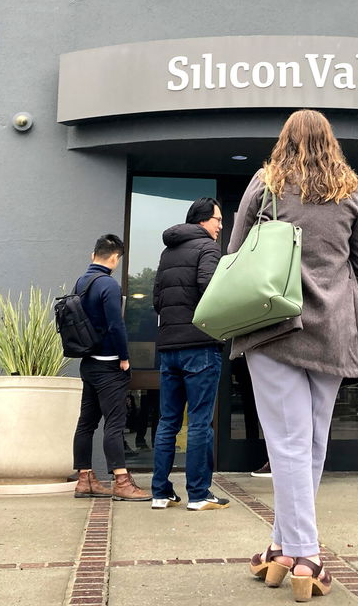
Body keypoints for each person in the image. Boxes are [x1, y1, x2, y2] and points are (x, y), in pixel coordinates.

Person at [235, 109, 358, 601]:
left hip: (273, 326)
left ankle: (304, 554)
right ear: (330, 141)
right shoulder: (351, 189)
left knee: (288, 442)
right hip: (333, 329)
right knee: (312, 442)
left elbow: (236, 251)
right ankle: (281, 547)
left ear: (284, 140)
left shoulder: (266, 184)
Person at [150, 196, 230, 511]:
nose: (221, 227)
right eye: (218, 220)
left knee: (168, 420)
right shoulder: (208, 248)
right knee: (198, 422)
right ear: (201, 220)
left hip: (169, 348)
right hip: (200, 346)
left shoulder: (167, 252)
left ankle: (160, 492)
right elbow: (210, 288)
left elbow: (157, 299)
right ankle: (198, 494)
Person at [72, 233, 151, 502]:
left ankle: (85, 479)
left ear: (92, 254)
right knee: (114, 424)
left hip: (88, 363)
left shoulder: (81, 282)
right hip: (108, 365)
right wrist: (125, 358)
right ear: (115, 258)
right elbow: (116, 326)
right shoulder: (108, 285)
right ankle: (121, 480)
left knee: (86, 423)